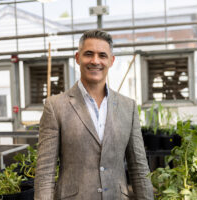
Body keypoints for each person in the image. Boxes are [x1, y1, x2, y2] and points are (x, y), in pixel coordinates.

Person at [34, 30, 154, 200]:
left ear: (111, 61)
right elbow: (45, 171)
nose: (95, 61)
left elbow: (139, 167)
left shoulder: (128, 107)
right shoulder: (56, 106)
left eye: (102, 55)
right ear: (77, 57)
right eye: (88, 54)